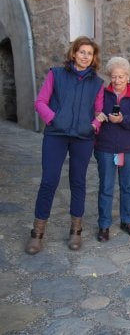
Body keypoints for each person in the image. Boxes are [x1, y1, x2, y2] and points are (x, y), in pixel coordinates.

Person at [26, 36, 105, 254]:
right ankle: (37, 233)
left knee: (78, 182)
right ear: (73, 54)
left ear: (93, 58)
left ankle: (75, 231)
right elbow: (40, 102)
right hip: (56, 135)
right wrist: (54, 119)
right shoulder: (56, 74)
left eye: (90, 53)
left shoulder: (97, 83)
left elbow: (99, 111)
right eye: (82, 52)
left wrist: (93, 125)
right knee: (49, 181)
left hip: (83, 138)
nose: (85, 56)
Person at [93, 57, 130, 242]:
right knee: (106, 187)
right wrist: (98, 116)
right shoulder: (101, 94)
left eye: (121, 76)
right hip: (106, 147)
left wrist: (123, 119)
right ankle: (104, 225)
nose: (117, 81)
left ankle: (126, 220)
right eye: (114, 77)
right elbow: (92, 113)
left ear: (128, 76)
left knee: (127, 187)